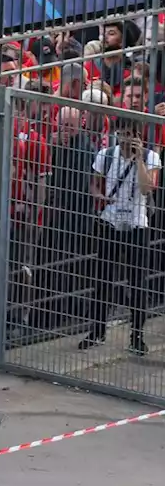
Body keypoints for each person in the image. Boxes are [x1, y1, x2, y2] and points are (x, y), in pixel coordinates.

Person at [83, 117, 161, 355]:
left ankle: (136, 335)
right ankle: (97, 330)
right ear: (117, 133)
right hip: (110, 221)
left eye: (132, 134)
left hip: (137, 224)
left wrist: (138, 160)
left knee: (138, 282)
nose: (127, 139)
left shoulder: (150, 158)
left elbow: (148, 188)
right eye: (124, 134)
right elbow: (93, 184)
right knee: (102, 280)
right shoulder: (106, 155)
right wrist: (100, 196)